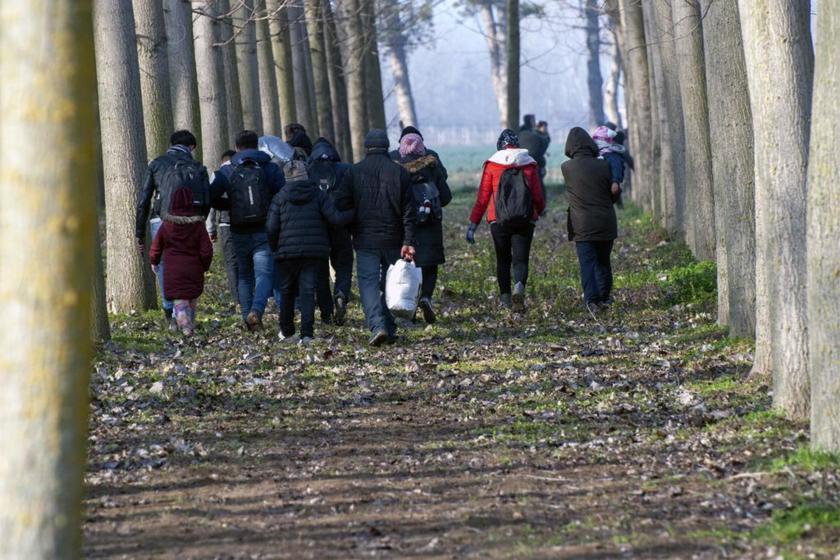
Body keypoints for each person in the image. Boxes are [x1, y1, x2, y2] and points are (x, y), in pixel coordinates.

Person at [266, 160, 354, 345]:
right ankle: (307, 334)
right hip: (314, 252)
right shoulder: (318, 195)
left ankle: (287, 331)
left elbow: (272, 227)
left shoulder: (280, 197)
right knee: (307, 292)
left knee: (287, 291)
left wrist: (275, 247)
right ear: (305, 175)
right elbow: (335, 218)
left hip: (286, 253)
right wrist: (354, 213)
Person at [211, 130, 285, 331]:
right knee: (264, 273)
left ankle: (247, 317)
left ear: (237, 147)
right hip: (264, 228)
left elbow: (211, 196)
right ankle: (257, 310)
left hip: (238, 229)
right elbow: (282, 196)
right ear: (257, 145)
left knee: (244, 275)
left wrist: (230, 206)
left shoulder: (227, 170)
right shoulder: (271, 167)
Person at [348, 129, 417, 346]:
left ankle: (379, 326)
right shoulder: (400, 173)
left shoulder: (354, 172)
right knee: (390, 285)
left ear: (366, 148)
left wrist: (350, 229)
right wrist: (408, 241)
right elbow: (409, 212)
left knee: (368, 284)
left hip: (365, 239)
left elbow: (347, 206)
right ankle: (389, 327)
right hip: (393, 239)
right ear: (387, 147)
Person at [136, 129, 209, 328]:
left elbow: (144, 201)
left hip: (160, 220)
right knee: (188, 262)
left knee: (161, 264)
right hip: (191, 221)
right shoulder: (197, 166)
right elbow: (207, 199)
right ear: (191, 147)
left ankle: (170, 311)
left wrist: (139, 234)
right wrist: (200, 223)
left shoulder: (156, 164)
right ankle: (185, 310)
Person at [466, 129, 545, 312]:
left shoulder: (492, 165)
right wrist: (538, 211)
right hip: (525, 218)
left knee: (503, 260)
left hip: (498, 219)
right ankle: (519, 287)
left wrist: (473, 224)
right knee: (521, 259)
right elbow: (537, 194)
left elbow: (483, 197)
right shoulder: (529, 164)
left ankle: (505, 299)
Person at [561, 127, 620, 314]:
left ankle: (592, 301)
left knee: (587, 263)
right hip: (605, 221)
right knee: (603, 262)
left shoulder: (566, 168)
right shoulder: (604, 165)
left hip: (582, 224)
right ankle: (604, 297)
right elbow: (613, 194)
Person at [396, 132, 452, 324]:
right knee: (430, 267)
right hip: (430, 226)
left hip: (405, 225)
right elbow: (446, 197)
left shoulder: (396, 169)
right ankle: (426, 297)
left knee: (408, 268)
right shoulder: (432, 165)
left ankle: (407, 309)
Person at [148, 187, 214, 336]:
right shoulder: (197, 225)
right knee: (191, 299)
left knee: (180, 301)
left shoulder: (166, 225)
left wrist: (154, 261)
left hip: (173, 271)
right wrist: (204, 265)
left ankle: (185, 327)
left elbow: (156, 246)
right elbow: (206, 249)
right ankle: (189, 325)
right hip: (193, 269)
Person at [308, 137, 355, 325]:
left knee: (320, 272)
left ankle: (326, 313)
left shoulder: (308, 171)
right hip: (341, 227)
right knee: (343, 264)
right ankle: (341, 292)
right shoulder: (346, 170)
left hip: (317, 230)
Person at [206, 149, 239, 308]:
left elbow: (211, 203)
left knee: (232, 263)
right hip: (247, 223)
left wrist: (210, 229)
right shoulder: (244, 170)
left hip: (226, 223)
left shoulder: (219, 174)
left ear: (222, 161)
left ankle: (237, 298)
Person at [592, 125, 625, 208]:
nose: (596, 142)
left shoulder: (612, 155)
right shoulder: (599, 153)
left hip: (611, 185)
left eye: (597, 139)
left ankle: (620, 206)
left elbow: (616, 167)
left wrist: (615, 181)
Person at [518, 114, 549, 203]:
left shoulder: (520, 132)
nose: (535, 122)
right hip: (534, 164)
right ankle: (541, 206)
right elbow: (544, 144)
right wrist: (545, 134)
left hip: (520, 163)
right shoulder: (533, 135)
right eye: (533, 120)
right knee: (538, 186)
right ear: (530, 121)